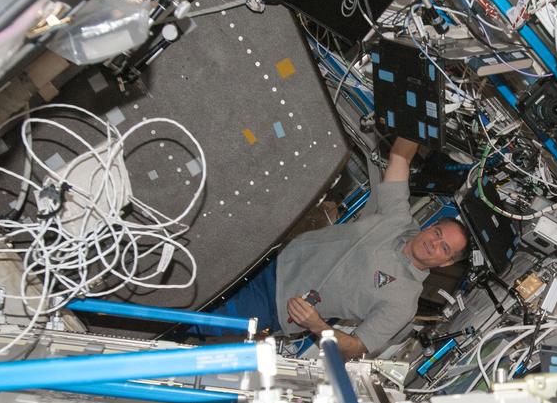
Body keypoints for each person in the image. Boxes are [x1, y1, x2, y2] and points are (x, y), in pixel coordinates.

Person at [195, 137, 469, 359]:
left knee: (191, 320)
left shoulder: (403, 302)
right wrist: (417, 118)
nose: (433, 243)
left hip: (273, 304)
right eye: (437, 232)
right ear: (429, 227)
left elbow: (357, 347)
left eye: (444, 248)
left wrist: (316, 325)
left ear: (446, 263)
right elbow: (400, 157)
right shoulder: (397, 219)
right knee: (190, 280)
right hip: (268, 256)